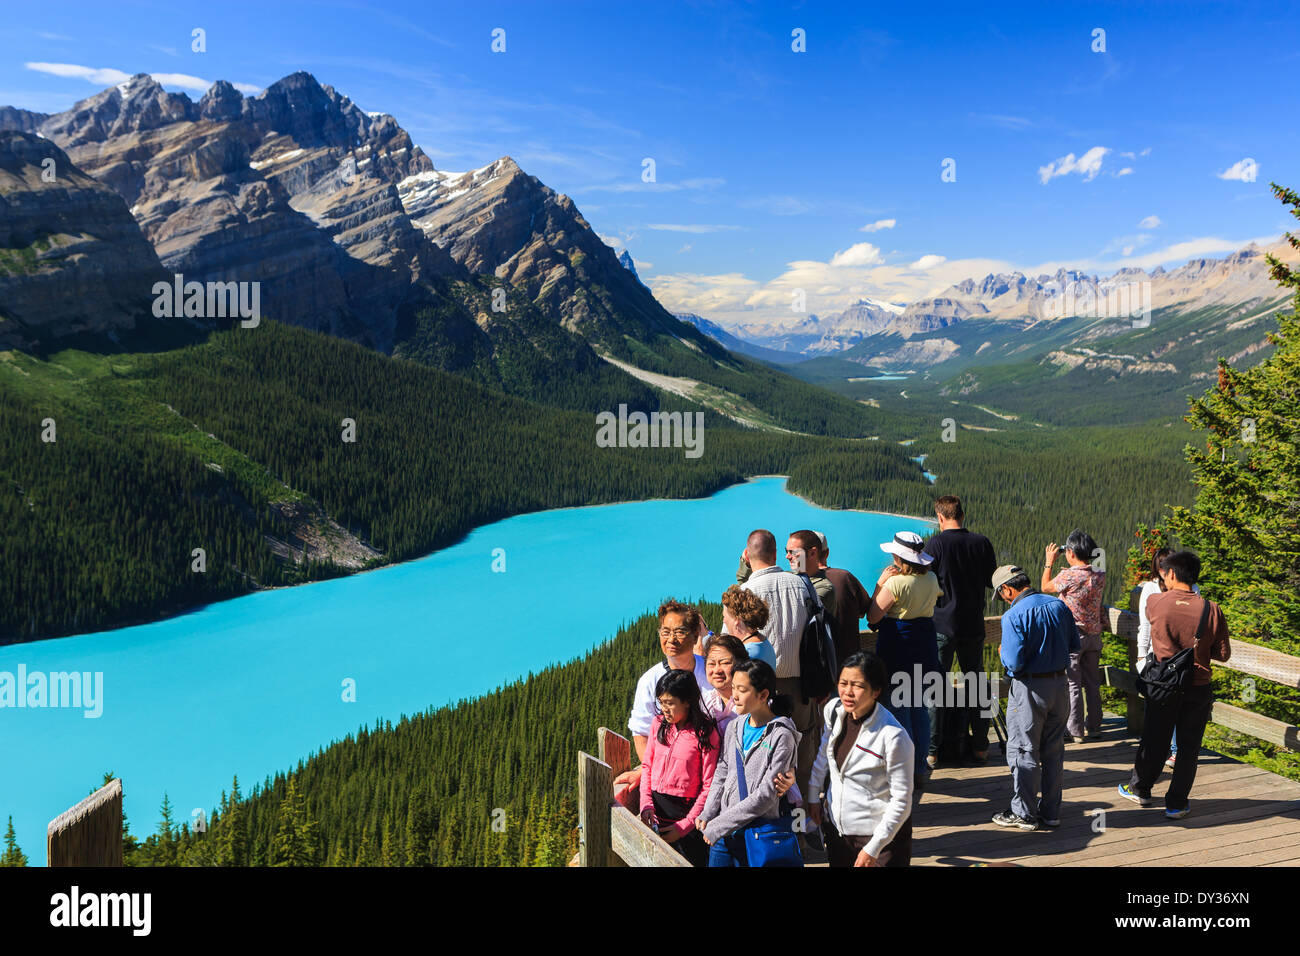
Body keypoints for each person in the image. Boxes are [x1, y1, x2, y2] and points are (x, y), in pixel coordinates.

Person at [1119, 551, 1231, 820]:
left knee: (1155, 739)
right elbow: (1223, 653)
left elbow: (1152, 629)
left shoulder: (1156, 602)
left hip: (1163, 685)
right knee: (1189, 747)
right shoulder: (1211, 609)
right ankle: (1177, 803)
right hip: (1198, 685)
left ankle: (1140, 789)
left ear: (1170, 574)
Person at [730, 529, 819, 804]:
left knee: (762, 756)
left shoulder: (744, 593)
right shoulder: (803, 584)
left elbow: (730, 647)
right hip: (801, 687)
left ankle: (769, 825)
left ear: (747, 555)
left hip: (758, 691)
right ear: (776, 554)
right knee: (801, 755)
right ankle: (801, 823)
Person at [991, 565, 1078, 831]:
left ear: (1007, 588)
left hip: (1029, 688)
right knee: (1053, 749)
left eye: (1002, 593)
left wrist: (1002, 653)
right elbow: (1074, 645)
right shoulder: (1058, 606)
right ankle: (1051, 812)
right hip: (1060, 685)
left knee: (1023, 749)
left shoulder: (1013, 616)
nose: (1004, 598)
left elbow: (1015, 663)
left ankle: (1024, 813)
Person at [808, 652, 915, 866]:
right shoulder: (834, 711)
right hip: (838, 832)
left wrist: (873, 848)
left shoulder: (893, 736)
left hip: (880, 839)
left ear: (876, 691)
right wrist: (813, 796)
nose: (848, 692)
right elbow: (823, 756)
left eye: (857, 686)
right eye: (843, 683)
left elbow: (902, 801)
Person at [697, 660, 800, 866]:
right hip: (724, 834)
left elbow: (766, 794)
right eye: (733, 687)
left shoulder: (781, 735)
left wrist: (719, 824)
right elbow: (722, 772)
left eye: (742, 690)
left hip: (758, 833)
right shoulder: (735, 726)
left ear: (763, 695)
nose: (734, 695)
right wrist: (708, 812)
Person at [923, 495, 997, 768]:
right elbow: (992, 581)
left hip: (942, 624)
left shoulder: (936, 544)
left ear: (940, 517)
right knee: (976, 684)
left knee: (935, 687)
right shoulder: (981, 543)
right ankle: (980, 747)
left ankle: (932, 751)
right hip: (973, 625)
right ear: (962, 515)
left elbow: (925, 578)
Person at [865, 531, 942, 792]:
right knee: (918, 708)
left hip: (899, 649)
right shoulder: (931, 578)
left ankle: (904, 771)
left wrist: (880, 583)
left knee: (898, 712)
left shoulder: (896, 584)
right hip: (925, 646)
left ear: (899, 557)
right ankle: (919, 768)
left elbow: (873, 616)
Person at [616, 599, 712, 807]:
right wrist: (652, 768)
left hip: (713, 776)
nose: (671, 639)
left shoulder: (710, 671)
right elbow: (641, 731)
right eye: (665, 632)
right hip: (672, 785)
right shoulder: (650, 680)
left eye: (679, 632)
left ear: (695, 634)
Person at [639, 669, 719, 866]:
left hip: (687, 816)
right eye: (661, 702)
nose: (664, 709)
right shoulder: (658, 724)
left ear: (688, 701)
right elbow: (647, 766)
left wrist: (685, 825)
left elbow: (710, 785)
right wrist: (645, 804)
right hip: (656, 813)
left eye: (670, 703)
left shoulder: (706, 732)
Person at [1136, 548, 1200, 770]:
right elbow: (1144, 626)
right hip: (1157, 660)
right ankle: (1155, 752)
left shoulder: (1192, 590)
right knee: (1156, 707)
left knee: (1178, 707)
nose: (1164, 571)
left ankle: (1172, 752)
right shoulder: (1150, 589)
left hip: (1181, 660)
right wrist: (1141, 655)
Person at [1042, 529, 1106, 742]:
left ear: (1070, 552)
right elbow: (1089, 569)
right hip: (1094, 635)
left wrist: (1049, 562)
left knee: (1073, 683)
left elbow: (1045, 587)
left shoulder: (1067, 576)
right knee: (1092, 683)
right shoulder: (1099, 574)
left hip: (1073, 636)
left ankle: (1075, 730)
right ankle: (1095, 726)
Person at [817, 531, 873, 665]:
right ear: (827, 552)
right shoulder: (845, 578)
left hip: (816, 666)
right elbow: (864, 611)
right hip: (849, 663)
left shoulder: (798, 583)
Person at [701, 633, 749, 735]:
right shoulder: (703, 702)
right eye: (711, 664)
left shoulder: (754, 703)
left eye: (725, 663)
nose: (717, 670)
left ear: (741, 664)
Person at [720, 585, 778, 669]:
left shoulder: (747, 653)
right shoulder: (763, 643)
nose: (724, 621)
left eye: (724, 616)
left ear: (736, 619)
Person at [788, 529, 837, 621]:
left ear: (812, 553)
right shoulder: (787, 576)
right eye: (786, 551)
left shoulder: (824, 588)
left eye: (793, 552)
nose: (787, 556)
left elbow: (797, 614)